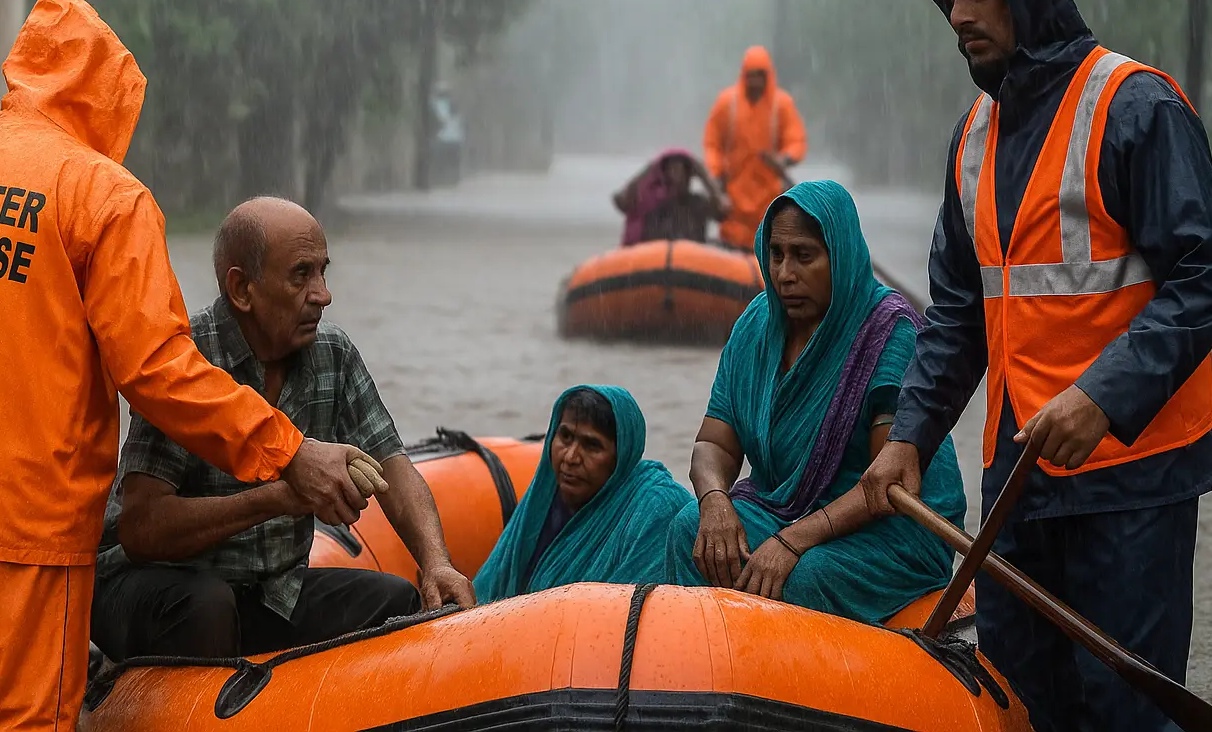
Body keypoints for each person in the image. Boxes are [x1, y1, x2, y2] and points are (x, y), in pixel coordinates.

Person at [0, 0, 373, 732]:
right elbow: (155, 370)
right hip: (27, 522)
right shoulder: (103, 196)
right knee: (17, 721)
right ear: (109, 96)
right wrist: (286, 448)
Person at [860, 0, 1212, 732]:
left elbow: (1209, 272)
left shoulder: (1136, 107)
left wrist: (1105, 394)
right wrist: (911, 437)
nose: (957, 13)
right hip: (1017, 482)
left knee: (1125, 714)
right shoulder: (971, 139)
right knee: (1023, 705)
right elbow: (957, 317)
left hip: (1131, 483)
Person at [92, 198, 476, 660]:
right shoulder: (183, 363)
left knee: (394, 601)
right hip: (154, 587)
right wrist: (282, 496)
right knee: (207, 606)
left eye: (323, 272)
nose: (323, 294)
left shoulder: (333, 353)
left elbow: (393, 466)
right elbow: (140, 529)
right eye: (301, 275)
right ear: (242, 289)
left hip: (269, 592)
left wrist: (436, 563)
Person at [667, 181, 966, 622]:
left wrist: (793, 541)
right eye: (776, 255)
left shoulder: (889, 334)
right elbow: (714, 443)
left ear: (839, 257)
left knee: (808, 576)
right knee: (686, 529)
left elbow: (886, 488)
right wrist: (714, 500)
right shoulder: (755, 326)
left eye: (804, 257)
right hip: (787, 509)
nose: (786, 274)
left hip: (892, 529)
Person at [473, 385, 692, 603]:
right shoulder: (543, 502)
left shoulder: (656, 508)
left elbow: (629, 616)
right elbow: (487, 588)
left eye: (591, 445)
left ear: (621, 455)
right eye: (565, 437)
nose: (570, 457)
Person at [703, 45, 808, 251]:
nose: (755, 81)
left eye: (760, 75)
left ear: (768, 76)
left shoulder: (782, 105)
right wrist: (716, 174)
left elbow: (796, 140)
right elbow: (712, 142)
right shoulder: (727, 103)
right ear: (744, 75)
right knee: (732, 245)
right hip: (734, 201)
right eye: (751, 75)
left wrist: (784, 159)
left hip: (768, 198)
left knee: (770, 239)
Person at [611, 148, 728, 246]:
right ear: (664, 174)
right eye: (672, 169)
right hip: (654, 260)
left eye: (680, 170)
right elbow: (621, 201)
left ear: (688, 175)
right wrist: (650, 169)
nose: (676, 175)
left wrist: (703, 174)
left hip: (691, 261)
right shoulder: (652, 202)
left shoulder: (698, 203)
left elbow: (722, 210)